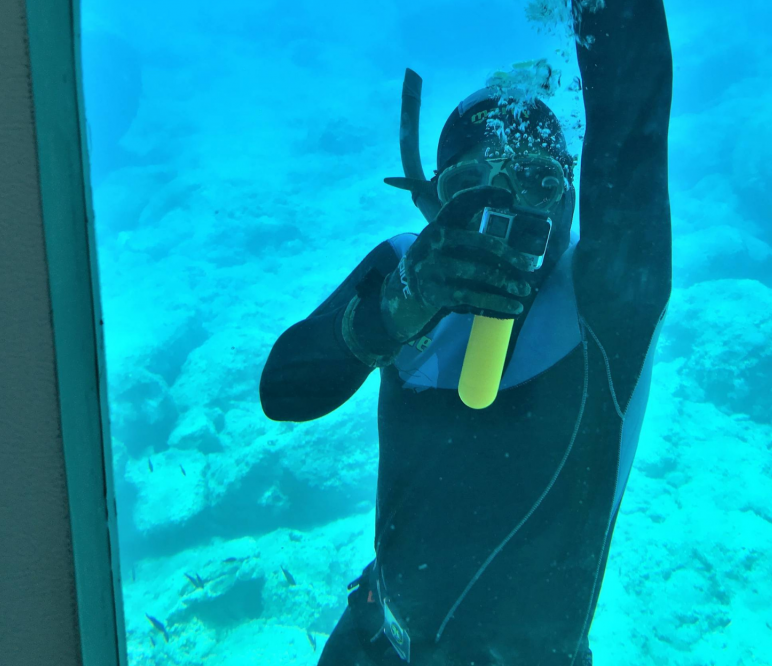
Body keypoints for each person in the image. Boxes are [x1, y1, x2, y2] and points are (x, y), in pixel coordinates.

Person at [260, 0, 672, 663]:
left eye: (537, 181)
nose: (502, 209)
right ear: (434, 203)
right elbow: (282, 392)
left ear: (572, 196)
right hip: (374, 642)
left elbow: (633, 127)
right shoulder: (402, 266)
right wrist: (395, 308)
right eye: (469, 184)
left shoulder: (607, 298)